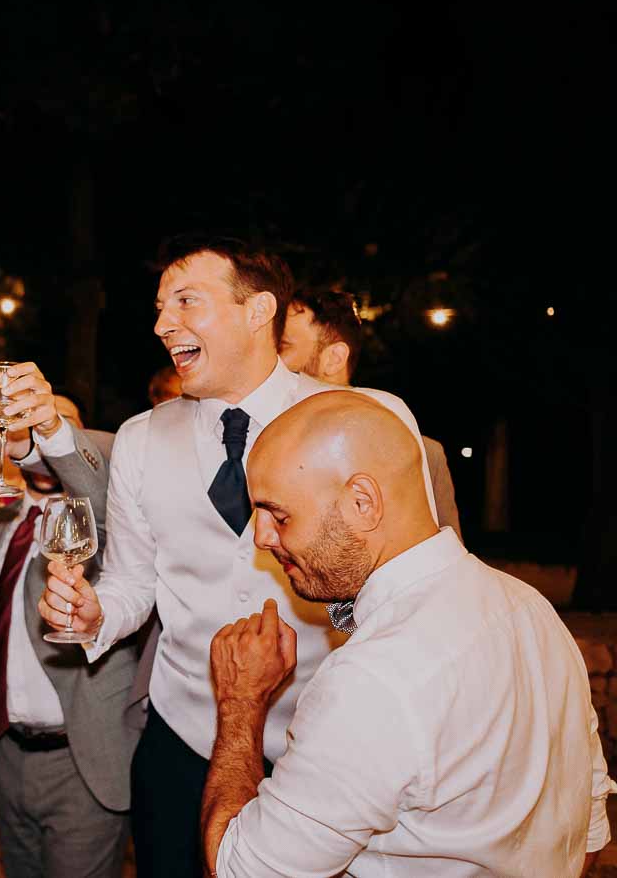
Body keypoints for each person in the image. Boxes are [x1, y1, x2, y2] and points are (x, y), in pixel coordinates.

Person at [36, 236, 440, 877]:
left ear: (258, 311)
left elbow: (417, 587)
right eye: (160, 307)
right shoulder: (141, 438)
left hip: (335, 741)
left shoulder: (366, 417)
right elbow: (132, 582)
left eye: (186, 301)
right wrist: (95, 614)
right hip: (184, 740)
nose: (162, 324)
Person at [202, 391, 613, 876]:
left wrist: (241, 702)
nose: (262, 537)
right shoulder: (530, 608)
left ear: (362, 503)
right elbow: (587, 829)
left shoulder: (371, 680)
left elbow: (238, 870)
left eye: (279, 514)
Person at [0, 393, 137, 878]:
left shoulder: (109, 527)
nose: (39, 441)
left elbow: (96, 483)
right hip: (7, 755)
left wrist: (56, 439)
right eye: (28, 428)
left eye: (55, 431)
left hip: (81, 761)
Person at [279, 287, 462, 537]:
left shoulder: (423, 456)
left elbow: (444, 558)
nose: (270, 361)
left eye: (282, 346)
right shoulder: (254, 441)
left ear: (334, 358)